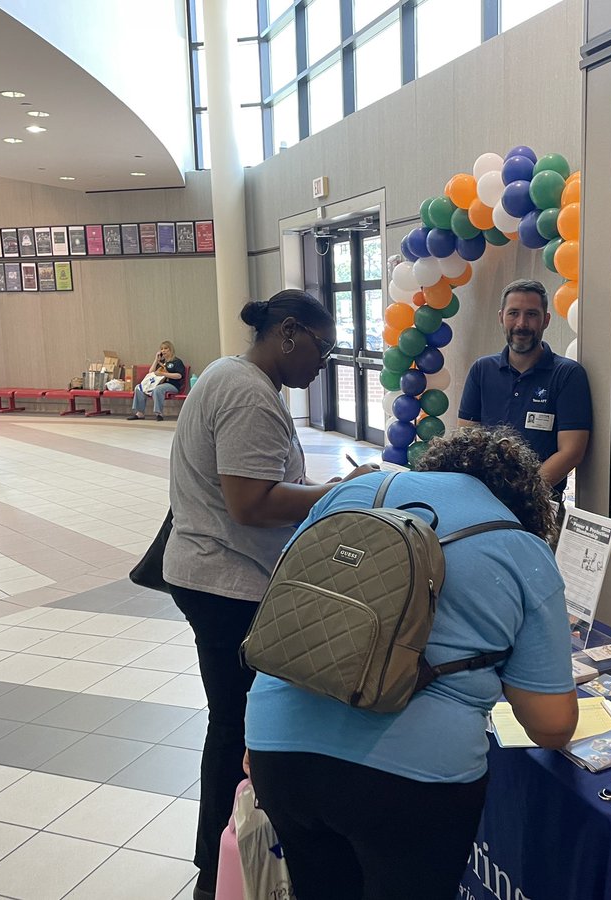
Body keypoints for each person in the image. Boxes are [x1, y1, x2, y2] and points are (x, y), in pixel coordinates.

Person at [246, 426, 579, 900]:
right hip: (414, 782)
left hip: (277, 745)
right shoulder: (521, 547)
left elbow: (285, 607)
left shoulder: (356, 491)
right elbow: (551, 724)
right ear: (524, 502)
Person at [163, 291, 377, 900]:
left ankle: (233, 854)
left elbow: (268, 484)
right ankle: (218, 866)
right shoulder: (247, 391)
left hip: (216, 574)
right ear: (288, 333)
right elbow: (250, 502)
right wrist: (340, 491)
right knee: (236, 727)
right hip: (223, 583)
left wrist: (315, 489)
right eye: (321, 347)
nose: (323, 363)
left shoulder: (241, 380)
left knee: (239, 722)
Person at [458, 279, 592, 497]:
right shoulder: (481, 370)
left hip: (540, 503)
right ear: (501, 317)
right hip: (483, 499)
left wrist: (520, 495)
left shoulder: (568, 375)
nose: (521, 324)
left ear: (545, 320)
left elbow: (571, 452)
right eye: (513, 313)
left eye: (531, 314)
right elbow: (467, 441)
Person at [128, 340, 185, 421]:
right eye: (162, 349)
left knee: (158, 389)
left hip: (172, 385)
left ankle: (159, 413)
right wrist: (156, 360)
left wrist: (163, 374)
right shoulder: (161, 362)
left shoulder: (176, 362)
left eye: (166, 348)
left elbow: (179, 376)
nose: (163, 350)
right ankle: (140, 413)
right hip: (156, 383)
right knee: (138, 388)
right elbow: (151, 372)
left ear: (170, 350)